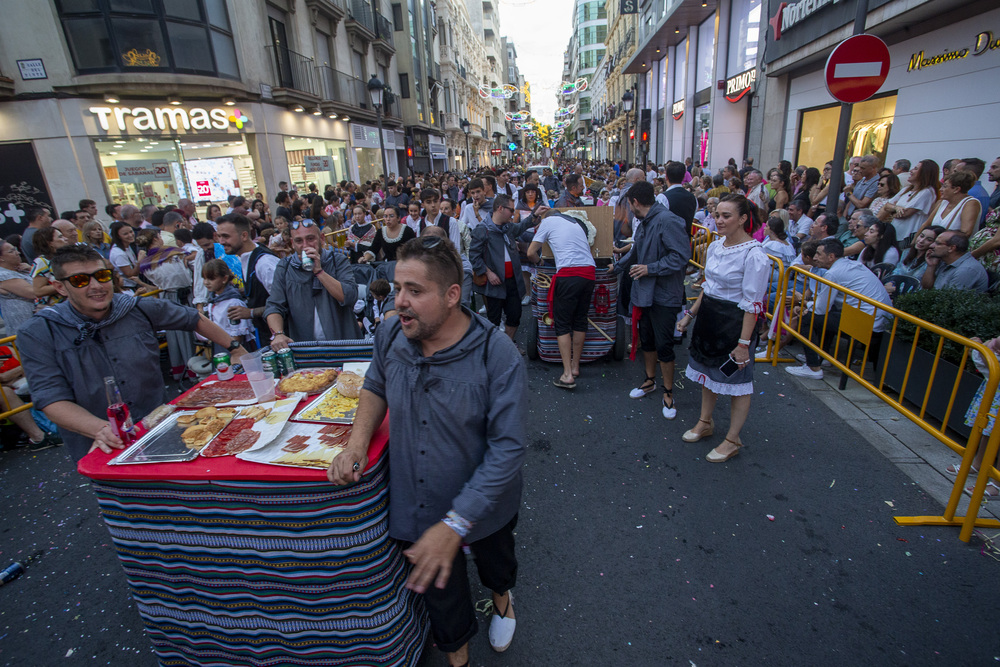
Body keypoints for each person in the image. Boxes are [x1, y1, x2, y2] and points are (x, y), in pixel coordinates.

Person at [327, 235, 526, 667]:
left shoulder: (499, 354)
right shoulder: (389, 332)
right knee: (444, 604)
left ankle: (503, 599)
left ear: (452, 295)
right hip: (419, 502)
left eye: (415, 291)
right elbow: (375, 384)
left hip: (485, 507)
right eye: (397, 288)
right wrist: (356, 443)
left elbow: (507, 450)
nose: (399, 301)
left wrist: (455, 525)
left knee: (496, 566)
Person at [17, 245, 248, 460]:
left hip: (159, 426)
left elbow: (192, 318)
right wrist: (101, 429)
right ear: (60, 287)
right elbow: (50, 398)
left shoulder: (137, 308)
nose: (96, 286)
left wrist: (235, 348)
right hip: (100, 442)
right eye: (80, 280)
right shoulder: (39, 331)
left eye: (102, 276)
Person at [676, 194, 769, 462]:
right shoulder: (716, 246)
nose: (719, 220)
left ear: (742, 219)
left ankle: (733, 439)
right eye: (717, 215)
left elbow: (753, 305)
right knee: (707, 374)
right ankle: (705, 422)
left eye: (726, 216)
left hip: (736, 324)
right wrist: (690, 315)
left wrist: (743, 345)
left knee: (738, 382)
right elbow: (709, 287)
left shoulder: (755, 255)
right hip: (710, 319)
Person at [613, 181, 691, 417]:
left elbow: (681, 257)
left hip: (664, 296)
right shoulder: (646, 221)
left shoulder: (668, 221)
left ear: (635, 203)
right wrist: (615, 268)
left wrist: (650, 269)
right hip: (644, 294)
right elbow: (637, 251)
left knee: (664, 345)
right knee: (646, 339)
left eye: (628, 205)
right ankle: (650, 381)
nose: (628, 209)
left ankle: (668, 392)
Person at [785, 239, 892, 380]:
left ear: (831, 257)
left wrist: (802, 302)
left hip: (867, 322)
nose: (815, 258)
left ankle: (813, 367)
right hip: (875, 319)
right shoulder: (851, 265)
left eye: (818, 254)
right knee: (824, 314)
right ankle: (822, 356)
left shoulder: (833, 273)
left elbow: (821, 309)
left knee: (806, 318)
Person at [526, 209, 597, 390]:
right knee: (580, 320)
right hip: (589, 272)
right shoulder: (575, 223)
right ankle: (575, 367)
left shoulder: (548, 222)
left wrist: (540, 262)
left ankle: (566, 375)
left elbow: (530, 253)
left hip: (569, 273)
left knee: (563, 324)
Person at [266, 219, 360, 346]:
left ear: (321, 238)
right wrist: (278, 334)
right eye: (299, 241)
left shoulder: (337, 260)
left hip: (343, 345)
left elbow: (349, 296)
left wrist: (319, 271)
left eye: (310, 239)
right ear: (292, 243)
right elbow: (274, 305)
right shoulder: (285, 267)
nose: (305, 245)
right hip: (307, 349)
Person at [469, 194, 538, 340]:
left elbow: (521, 227)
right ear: (500, 208)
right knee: (494, 319)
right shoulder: (483, 229)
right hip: (494, 283)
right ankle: (496, 350)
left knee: (515, 315)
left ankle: (509, 345)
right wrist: (488, 273)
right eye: (511, 210)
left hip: (512, 280)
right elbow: (474, 256)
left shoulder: (508, 227)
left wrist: (534, 215)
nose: (513, 213)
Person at [216, 213, 280, 346]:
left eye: (226, 236)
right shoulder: (247, 257)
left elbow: (285, 302)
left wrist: (250, 312)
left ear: (244, 235)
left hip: (279, 338)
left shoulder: (265, 263)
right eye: (219, 236)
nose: (221, 242)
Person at [422, 189, 472, 306]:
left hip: (453, 266)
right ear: (423, 204)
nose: (433, 205)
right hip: (432, 270)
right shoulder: (421, 223)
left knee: (460, 305)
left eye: (435, 201)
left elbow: (455, 250)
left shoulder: (450, 222)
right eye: (429, 202)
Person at [198, 259, 253, 354]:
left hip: (232, 347)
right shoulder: (213, 299)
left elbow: (237, 336)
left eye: (211, 279)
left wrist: (234, 351)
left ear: (224, 279)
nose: (206, 282)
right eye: (204, 278)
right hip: (219, 345)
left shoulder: (233, 303)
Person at [879, 159, 939, 243]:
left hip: (907, 238)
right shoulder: (906, 189)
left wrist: (892, 211)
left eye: (915, 169)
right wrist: (896, 208)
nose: (911, 171)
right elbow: (886, 206)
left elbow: (904, 214)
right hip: (895, 235)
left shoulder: (927, 192)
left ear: (925, 173)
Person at [918, 171, 981, 237]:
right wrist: (914, 243)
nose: (940, 189)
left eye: (944, 186)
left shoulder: (971, 203)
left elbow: (965, 233)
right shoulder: (944, 201)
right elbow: (926, 224)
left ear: (956, 189)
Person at [921, 231, 989, 292]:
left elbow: (949, 302)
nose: (931, 245)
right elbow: (927, 289)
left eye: (938, 243)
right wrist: (931, 266)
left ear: (951, 248)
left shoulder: (966, 270)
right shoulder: (943, 261)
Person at [30, 227, 70, 309]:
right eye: (60, 237)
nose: (65, 238)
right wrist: (67, 283)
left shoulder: (66, 258)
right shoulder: (42, 262)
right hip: (55, 309)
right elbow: (38, 290)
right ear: (49, 243)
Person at [0, 240, 35, 332]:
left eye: (15, 249)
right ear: (1, 258)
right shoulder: (3, 275)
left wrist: (31, 269)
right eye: (11, 251)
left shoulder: (21, 269)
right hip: (25, 326)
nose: (18, 253)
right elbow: (34, 293)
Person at [664, 162, 697, 233]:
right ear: (684, 177)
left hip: (667, 240)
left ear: (666, 177)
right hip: (685, 240)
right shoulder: (693, 198)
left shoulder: (663, 198)